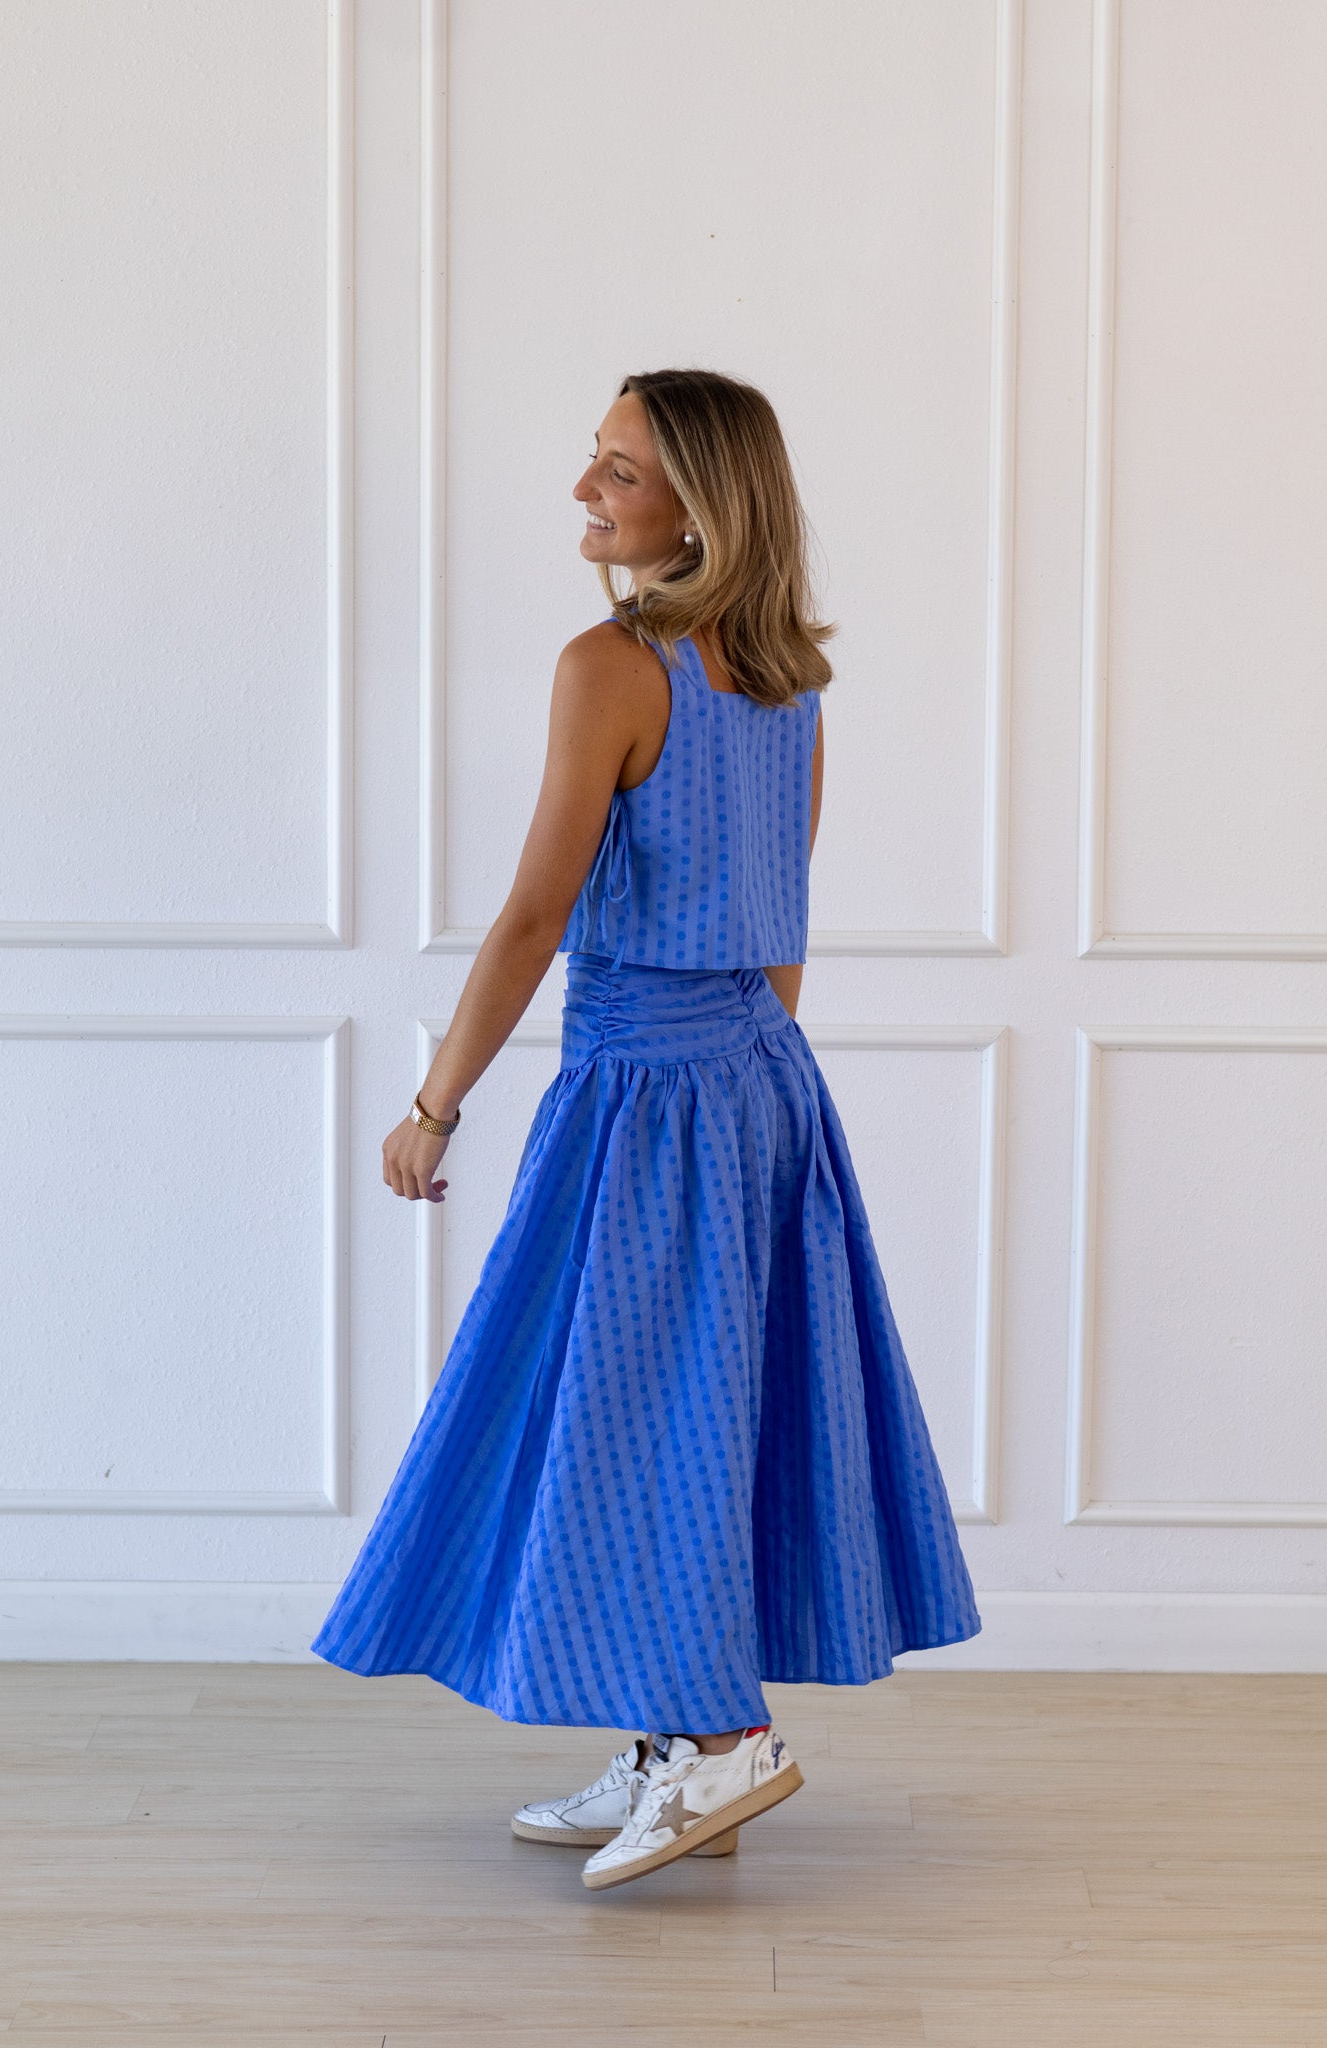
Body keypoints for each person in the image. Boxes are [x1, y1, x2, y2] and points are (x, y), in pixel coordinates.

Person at [310, 367, 982, 1891]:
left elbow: (539, 910)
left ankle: (721, 1738)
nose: (583, 492)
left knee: (636, 1422)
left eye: (616, 470)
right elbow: (784, 929)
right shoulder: (793, 683)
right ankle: (672, 1745)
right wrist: (753, 1090)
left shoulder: (610, 664)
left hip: (643, 1097)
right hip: (757, 1086)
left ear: (698, 502)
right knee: (690, 1421)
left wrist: (435, 1105)